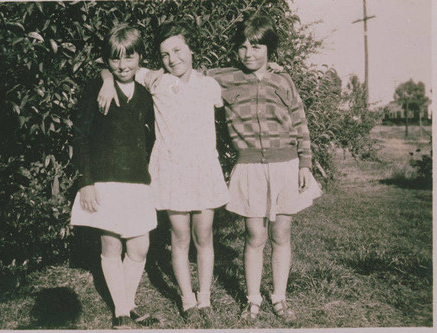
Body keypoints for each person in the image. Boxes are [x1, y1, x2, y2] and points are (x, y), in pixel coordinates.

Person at [98, 21, 229, 325]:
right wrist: (106, 79)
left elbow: (240, 77)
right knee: (180, 238)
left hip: (204, 170)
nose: (173, 59)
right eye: (165, 54)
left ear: (191, 48)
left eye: (178, 50)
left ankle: (205, 298)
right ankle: (187, 301)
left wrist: (274, 68)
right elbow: (114, 65)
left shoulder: (209, 85)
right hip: (173, 171)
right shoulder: (155, 80)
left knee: (204, 236)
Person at [205, 14, 322, 322]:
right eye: (243, 47)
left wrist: (305, 163)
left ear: (270, 50)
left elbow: (300, 121)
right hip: (250, 166)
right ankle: (253, 298)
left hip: (286, 164)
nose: (249, 53)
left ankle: (280, 297)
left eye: (257, 47)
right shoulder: (225, 79)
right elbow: (190, 74)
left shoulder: (283, 80)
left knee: (281, 233)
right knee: (254, 234)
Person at [70, 23, 157, 330]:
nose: (122, 65)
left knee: (139, 247)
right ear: (107, 61)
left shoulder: (147, 95)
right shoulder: (97, 88)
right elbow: (81, 136)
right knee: (111, 246)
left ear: (140, 58)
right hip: (105, 181)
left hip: (137, 181)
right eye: (115, 59)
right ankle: (122, 309)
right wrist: (86, 182)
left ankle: (126, 301)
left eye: (129, 58)